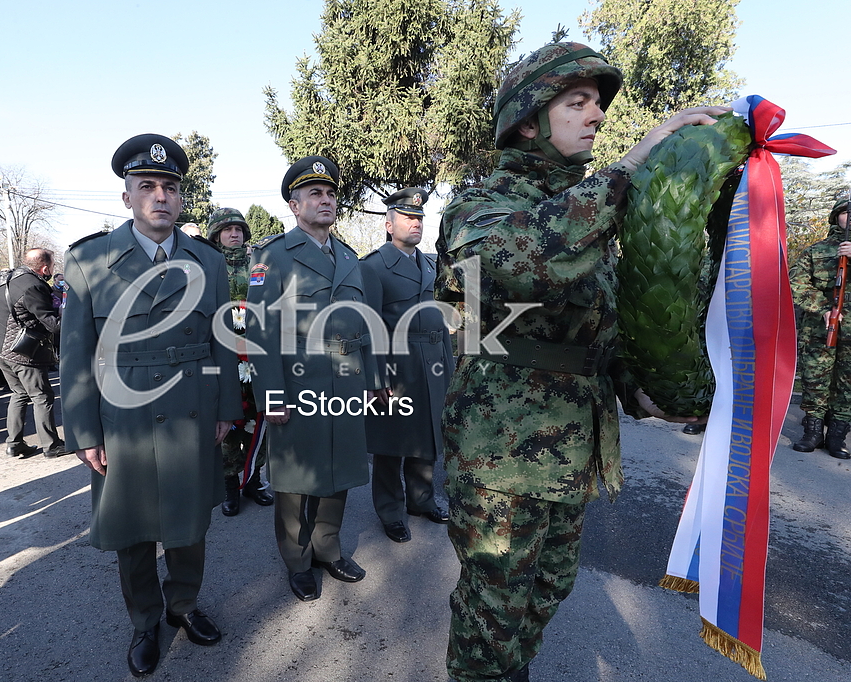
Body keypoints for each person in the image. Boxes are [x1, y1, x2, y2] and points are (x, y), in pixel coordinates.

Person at [433, 42, 721, 682]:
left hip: (570, 446)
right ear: (529, 121)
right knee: (493, 613)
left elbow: (597, 315)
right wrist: (636, 161)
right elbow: (522, 261)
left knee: (547, 589)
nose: (595, 116)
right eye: (577, 102)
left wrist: (628, 380)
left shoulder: (589, 209)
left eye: (597, 104)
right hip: (503, 453)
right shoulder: (479, 206)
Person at [61, 134, 242, 678]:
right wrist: (84, 431)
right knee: (133, 529)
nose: (159, 196)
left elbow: (221, 342)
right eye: (147, 186)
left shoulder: (207, 261)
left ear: (182, 198)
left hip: (191, 409)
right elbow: (75, 355)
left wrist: (226, 408)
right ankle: (145, 622)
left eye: (169, 187)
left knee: (190, 524)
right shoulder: (89, 259)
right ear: (126, 197)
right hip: (124, 418)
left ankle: (183, 606)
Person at [245, 156, 382, 602]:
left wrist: (374, 380)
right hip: (298, 382)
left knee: (340, 469)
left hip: (347, 381)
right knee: (292, 480)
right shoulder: (273, 256)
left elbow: (365, 326)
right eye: (314, 194)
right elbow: (262, 332)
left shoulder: (348, 256)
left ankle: (328, 547)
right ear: (294, 204)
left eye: (330, 194)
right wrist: (271, 395)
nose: (326, 200)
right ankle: (298, 560)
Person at [360, 188, 453, 544]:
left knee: (427, 437)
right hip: (396, 366)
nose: (416, 223)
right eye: (408, 218)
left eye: (419, 219)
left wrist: (449, 364)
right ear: (389, 224)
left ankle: (421, 499)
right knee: (391, 444)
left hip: (431, 365)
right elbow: (368, 327)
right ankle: (390, 510)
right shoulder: (373, 266)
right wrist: (376, 375)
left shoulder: (430, 264)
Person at [205, 207, 274, 516]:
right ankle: (230, 486)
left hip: (257, 359)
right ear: (216, 235)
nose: (234, 233)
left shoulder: (259, 267)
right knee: (230, 424)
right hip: (224, 360)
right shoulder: (208, 267)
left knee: (256, 422)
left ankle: (255, 481)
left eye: (238, 229)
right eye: (227, 229)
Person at [0, 248, 68, 459]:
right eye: (52, 266)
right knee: (42, 396)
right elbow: (53, 325)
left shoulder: (6, 278)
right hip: (21, 352)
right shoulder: (34, 285)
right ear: (45, 267)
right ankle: (51, 445)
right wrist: (66, 310)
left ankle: (14, 443)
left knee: (19, 393)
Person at [790, 198, 851, 459]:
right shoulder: (816, 251)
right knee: (815, 380)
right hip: (819, 329)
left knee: (847, 384)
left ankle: (837, 437)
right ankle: (812, 433)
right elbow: (797, 283)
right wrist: (824, 308)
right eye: (846, 213)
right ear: (836, 217)